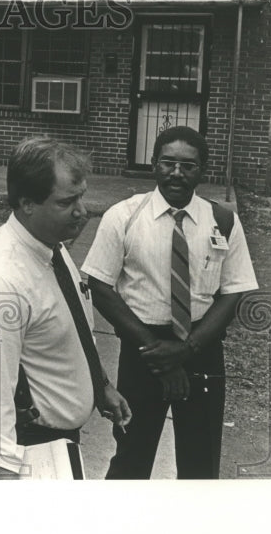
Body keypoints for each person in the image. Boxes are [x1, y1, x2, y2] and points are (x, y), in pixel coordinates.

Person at [81, 126, 258, 479]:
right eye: (168, 163)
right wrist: (155, 351)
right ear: (153, 165)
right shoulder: (124, 216)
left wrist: (188, 349)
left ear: (202, 170)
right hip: (142, 347)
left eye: (188, 166)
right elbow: (100, 285)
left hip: (202, 347)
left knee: (200, 463)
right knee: (132, 457)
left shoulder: (222, 221)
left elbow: (234, 291)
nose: (177, 173)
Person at [0, 136, 131, 479]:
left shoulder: (48, 245)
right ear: (27, 203)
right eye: (67, 201)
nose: (82, 211)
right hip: (27, 455)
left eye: (81, 196)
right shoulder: (1, 284)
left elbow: (67, 327)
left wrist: (100, 388)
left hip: (58, 448)